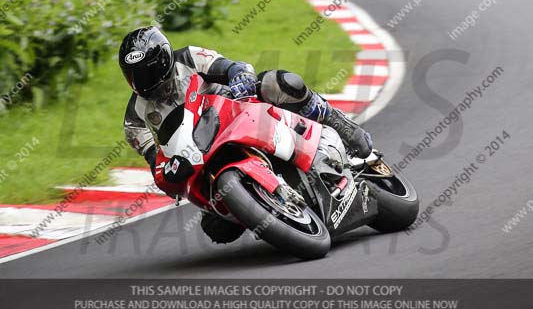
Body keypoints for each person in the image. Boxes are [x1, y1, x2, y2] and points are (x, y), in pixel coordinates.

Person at [120, 26, 372, 244]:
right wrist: (169, 175)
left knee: (278, 83)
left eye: (147, 71)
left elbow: (231, 67)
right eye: (134, 75)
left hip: (235, 114)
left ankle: (337, 122)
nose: (142, 81)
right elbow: (156, 163)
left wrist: (239, 77)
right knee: (216, 230)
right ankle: (265, 209)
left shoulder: (188, 57)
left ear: (164, 59)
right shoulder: (135, 118)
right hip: (200, 157)